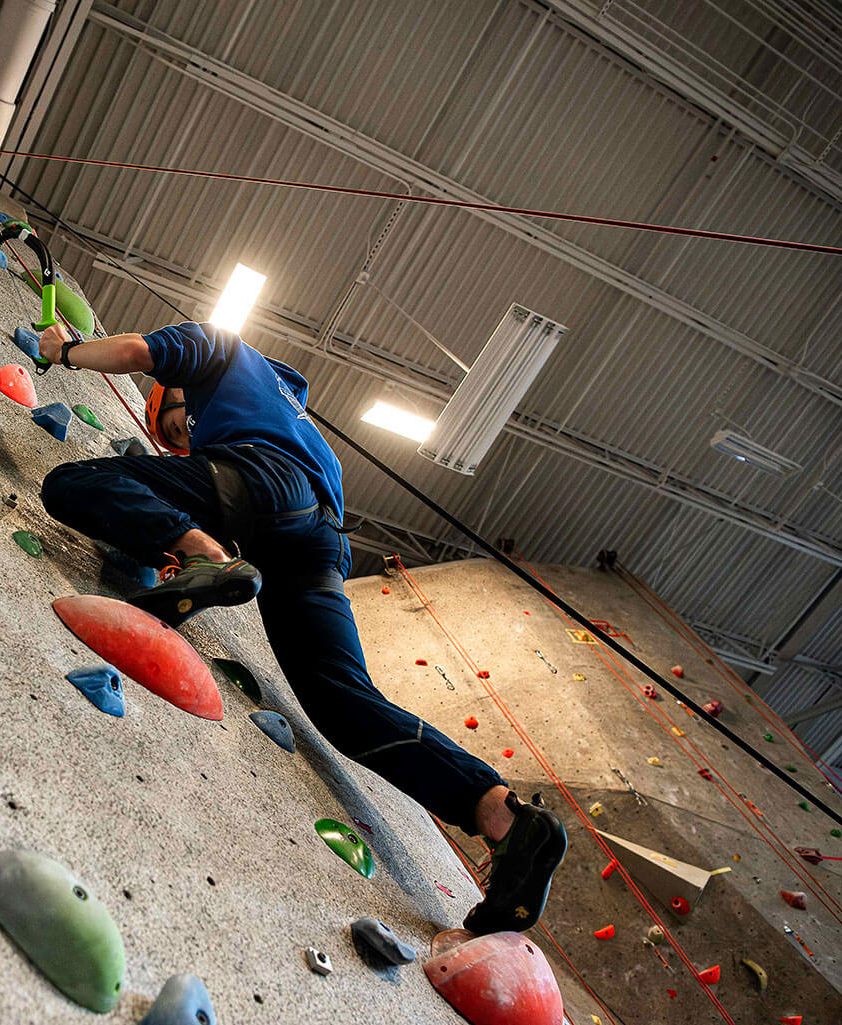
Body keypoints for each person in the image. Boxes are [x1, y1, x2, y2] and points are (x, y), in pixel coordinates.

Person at [37, 319, 567, 934]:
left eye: (178, 427)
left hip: (261, 487)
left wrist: (66, 351)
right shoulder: (299, 419)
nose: (183, 442)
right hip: (321, 542)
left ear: (175, 391)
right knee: (342, 700)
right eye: (176, 442)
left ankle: (206, 555)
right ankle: (504, 816)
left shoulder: (220, 346)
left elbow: (133, 352)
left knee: (74, 482)